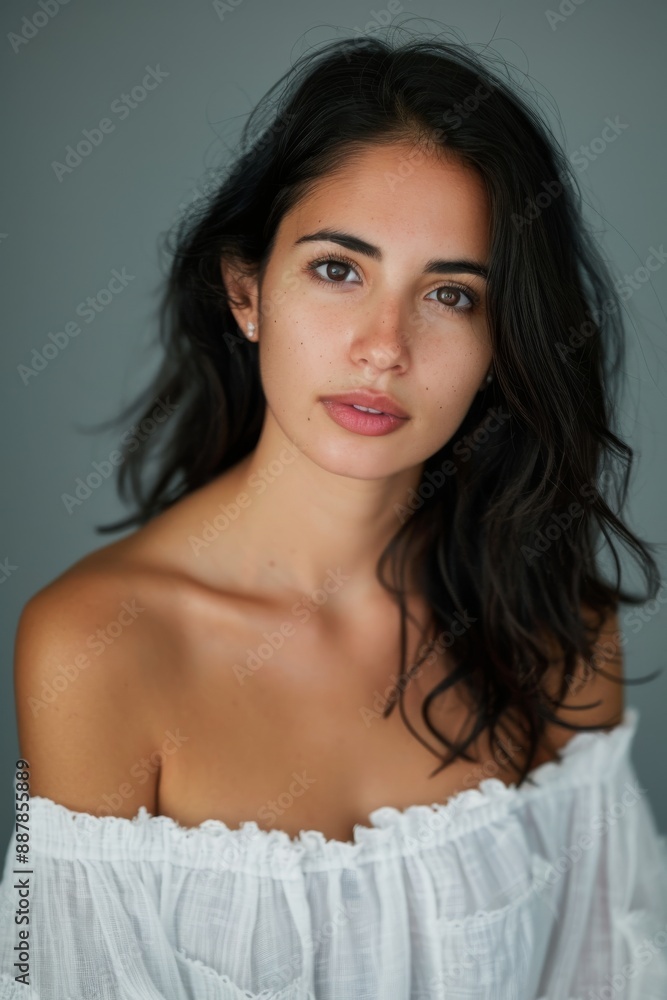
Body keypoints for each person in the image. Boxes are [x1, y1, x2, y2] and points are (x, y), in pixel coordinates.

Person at [2, 27, 667, 1000]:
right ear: (246, 291)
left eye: (449, 293)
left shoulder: (556, 631)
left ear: (502, 343)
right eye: (337, 269)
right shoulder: (97, 648)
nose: (383, 347)